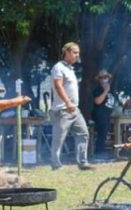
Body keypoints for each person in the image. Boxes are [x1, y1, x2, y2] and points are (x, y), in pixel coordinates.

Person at [50, 42, 91, 170]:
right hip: (63, 109)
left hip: (74, 109)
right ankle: (55, 165)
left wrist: (72, 104)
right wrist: (67, 102)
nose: (77, 55)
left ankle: (82, 163)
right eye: (74, 52)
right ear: (66, 52)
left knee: (83, 133)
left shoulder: (70, 69)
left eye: (78, 53)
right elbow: (58, 86)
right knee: (59, 139)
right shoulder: (58, 67)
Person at [91, 69, 116, 157]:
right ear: (99, 79)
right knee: (102, 134)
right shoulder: (98, 89)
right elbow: (97, 101)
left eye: (106, 77)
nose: (104, 79)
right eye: (101, 77)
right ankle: (99, 153)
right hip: (99, 115)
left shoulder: (111, 89)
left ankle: (103, 152)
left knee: (105, 134)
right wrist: (105, 91)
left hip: (107, 115)